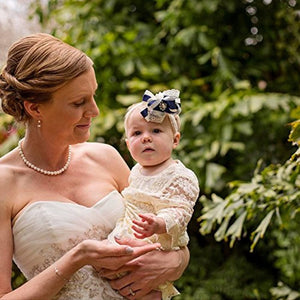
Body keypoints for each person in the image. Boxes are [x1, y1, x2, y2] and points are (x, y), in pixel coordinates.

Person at [0, 33, 190, 300]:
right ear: (35, 108)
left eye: (93, 96)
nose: (95, 110)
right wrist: (76, 259)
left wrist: (177, 261)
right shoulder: (4, 183)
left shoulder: (106, 157)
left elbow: (172, 232)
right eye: (79, 102)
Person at [108, 89, 200, 299]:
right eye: (137, 133)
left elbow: (181, 211)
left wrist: (159, 223)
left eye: (156, 131)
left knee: (150, 292)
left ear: (175, 140)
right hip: (128, 240)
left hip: (157, 245)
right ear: (128, 142)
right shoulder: (135, 172)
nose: (146, 138)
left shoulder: (180, 175)